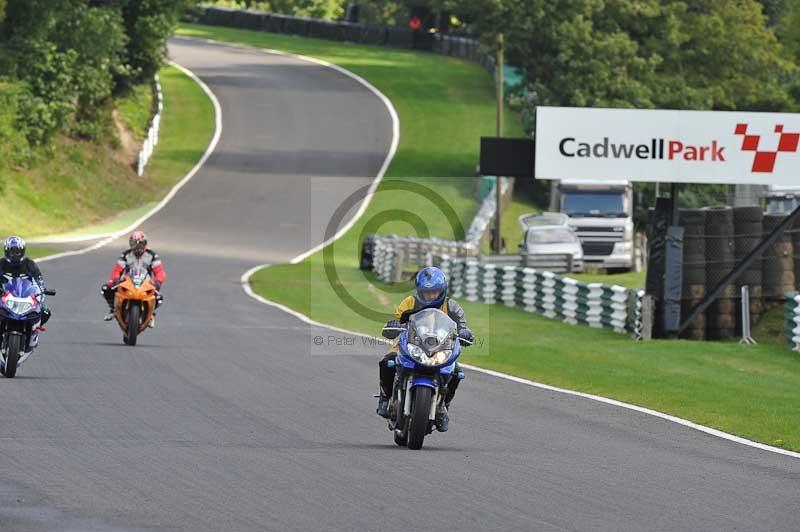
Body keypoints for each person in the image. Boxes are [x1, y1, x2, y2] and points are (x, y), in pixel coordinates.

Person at [376, 266, 473, 432]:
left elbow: (462, 326)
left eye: (434, 293)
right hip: (411, 345)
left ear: (442, 291)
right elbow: (398, 320)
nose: (430, 296)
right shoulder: (409, 302)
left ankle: (443, 407)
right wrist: (394, 325)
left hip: (440, 348)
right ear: (419, 291)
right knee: (388, 362)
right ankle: (385, 398)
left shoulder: (452, 306)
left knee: (456, 372)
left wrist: (465, 332)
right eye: (426, 293)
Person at [101, 231, 165, 325]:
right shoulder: (125, 255)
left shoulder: (152, 255)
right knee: (105, 288)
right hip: (127, 281)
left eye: (140, 244)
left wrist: (158, 282)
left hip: (146, 282)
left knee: (159, 298)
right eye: (134, 244)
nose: (137, 248)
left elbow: (159, 271)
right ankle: (113, 308)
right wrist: (116, 279)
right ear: (130, 244)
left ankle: (151, 314)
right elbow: (117, 270)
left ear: (145, 243)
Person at [0, 236, 51, 352]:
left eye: (18, 252)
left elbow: (39, 280)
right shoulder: (1, 263)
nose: (15, 255)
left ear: (22, 251)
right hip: (5, 295)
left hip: (24, 296)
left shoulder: (29, 264)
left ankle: (34, 331)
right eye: (13, 251)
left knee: (46, 312)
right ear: (7, 251)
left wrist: (41, 293)